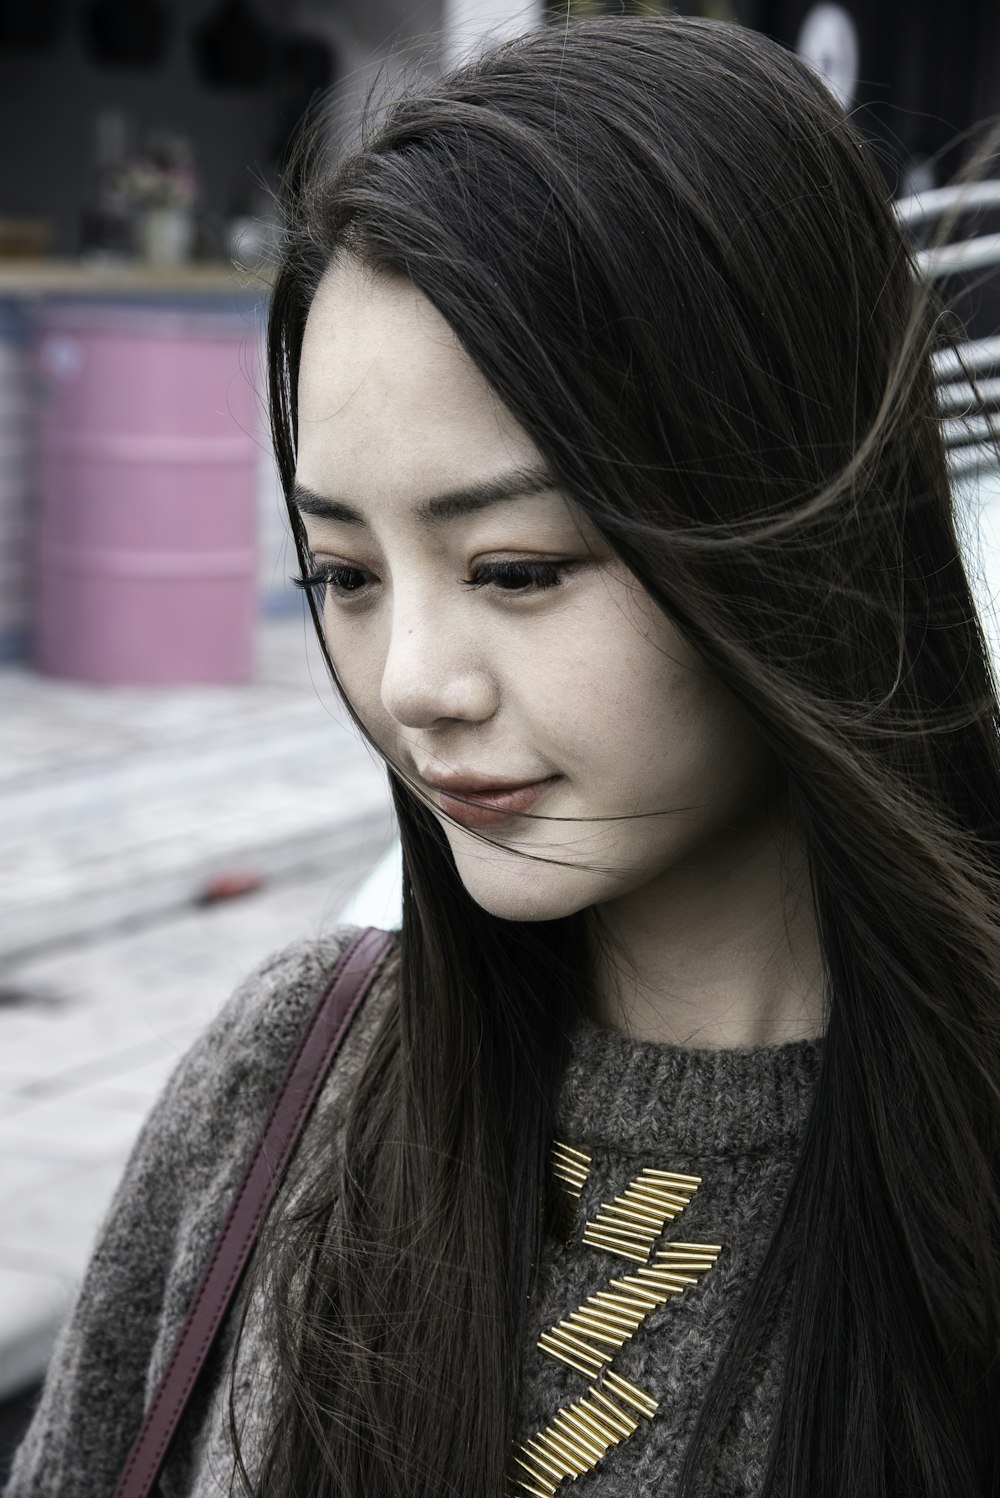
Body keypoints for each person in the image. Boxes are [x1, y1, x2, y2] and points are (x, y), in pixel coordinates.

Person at [7, 14, 1000, 1498]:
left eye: (518, 567)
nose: (412, 683)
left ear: (802, 522)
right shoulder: (290, 1077)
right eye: (345, 573)